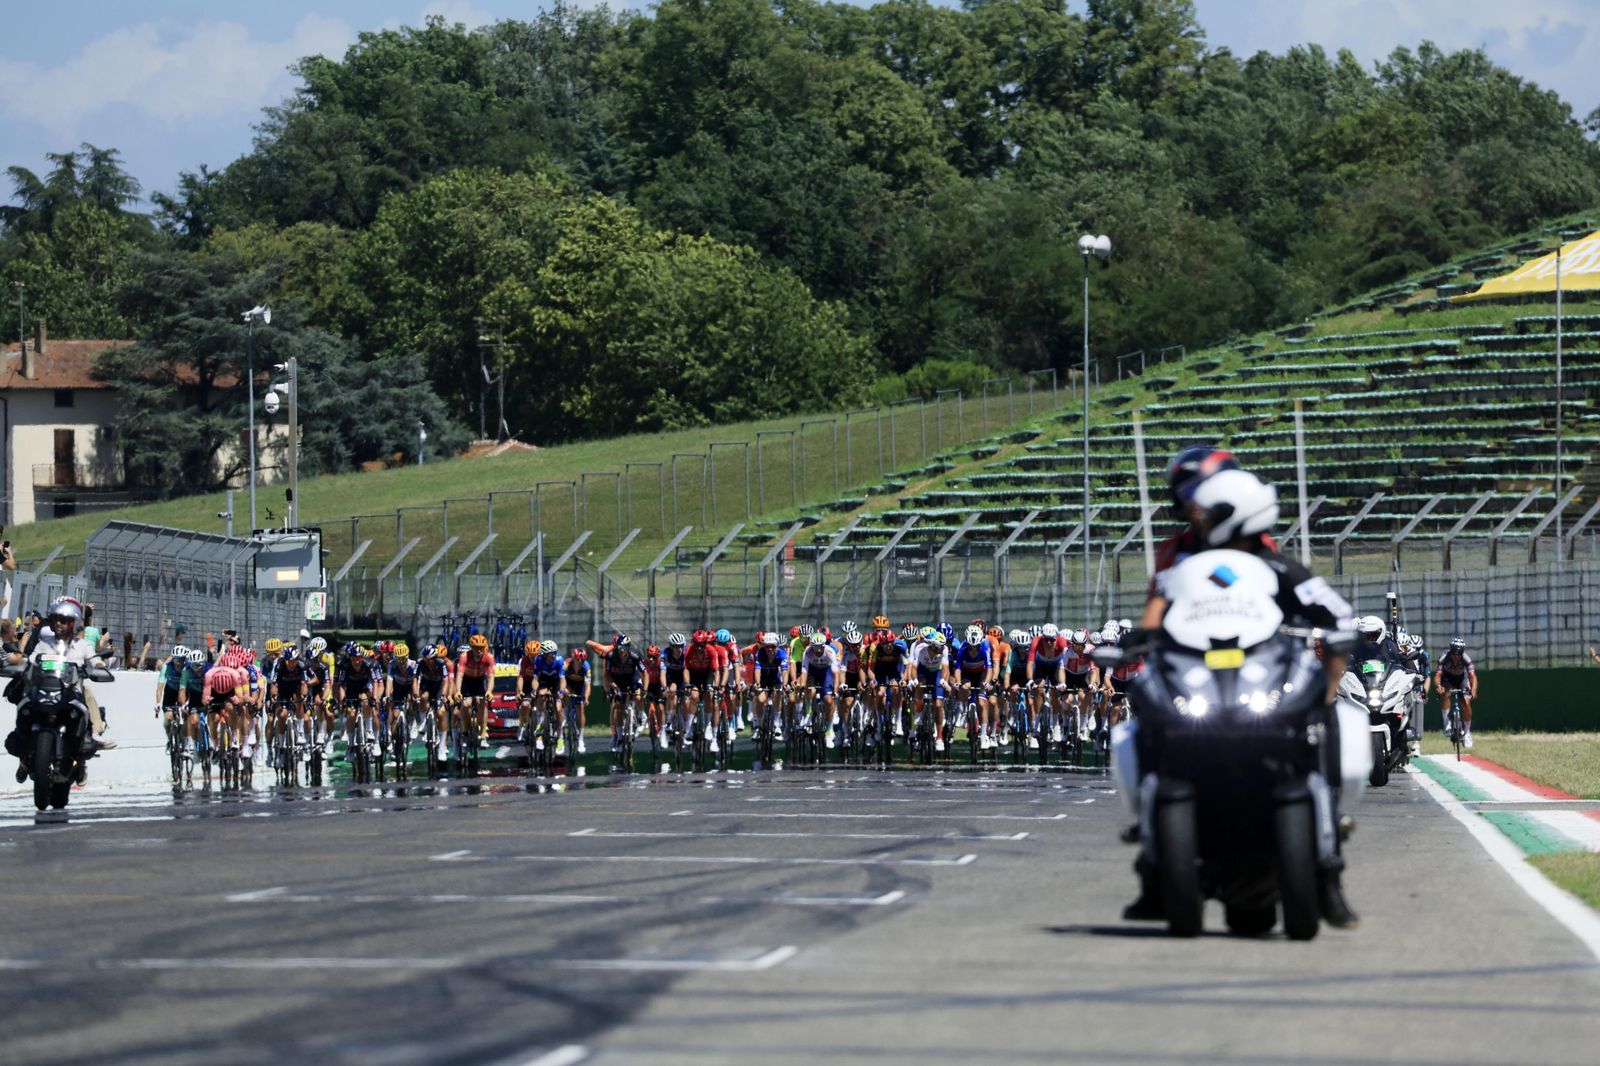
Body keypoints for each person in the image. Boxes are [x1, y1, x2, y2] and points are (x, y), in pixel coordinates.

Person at [1131, 467, 1358, 928]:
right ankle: (1152, 865)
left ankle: (1328, 873)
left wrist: (1335, 663)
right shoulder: (1184, 569)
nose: (1196, 520)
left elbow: (1338, 613)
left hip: (1264, 684)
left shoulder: (1280, 569)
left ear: (1235, 516)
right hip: (1202, 685)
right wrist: (1135, 640)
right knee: (1142, 714)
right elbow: (1153, 613)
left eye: (1207, 513)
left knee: (1326, 718)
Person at [6, 597, 113, 782]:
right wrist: (22, 663)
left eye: (63, 620)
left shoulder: (83, 645)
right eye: (56, 619)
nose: (58, 623)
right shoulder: (44, 643)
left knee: (85, 694)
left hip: (70, 692)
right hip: (45, 689)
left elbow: (94, 659)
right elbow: (31, 659)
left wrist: (99, 665)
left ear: (73, 622)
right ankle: (24, 755)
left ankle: (92, 738)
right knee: (25, 704)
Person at [1434, 638, 1477, 747]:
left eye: (1459, 654)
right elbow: (1438, 675)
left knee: (1466, 702)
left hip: (1462, 678)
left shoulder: (1466, 659)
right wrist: (1438, 686)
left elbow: (1473, 677)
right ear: (1450, 651)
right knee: (1446, 692)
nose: (1456, 656)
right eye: (1454, 653)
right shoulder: (1444, 657)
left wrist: (1473, 690)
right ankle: (1446, 722)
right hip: (1447, 678)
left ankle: (1467, 732)